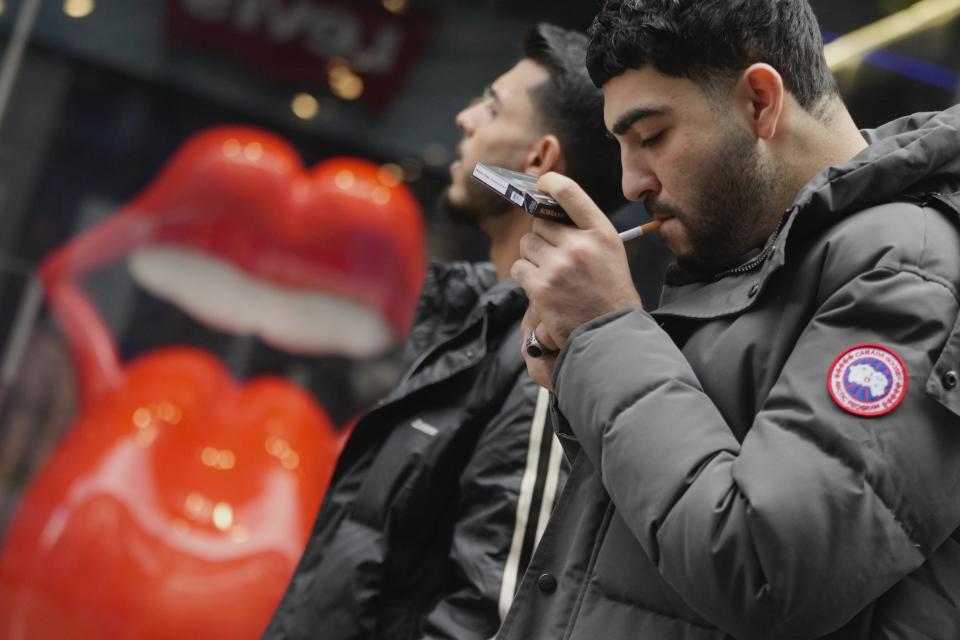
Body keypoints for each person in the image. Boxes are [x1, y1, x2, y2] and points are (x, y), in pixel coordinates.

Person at [502, 1, 960, 639]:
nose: (632, 181)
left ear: (759, 101)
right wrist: (583, 369)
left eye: (652, 136)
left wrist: (605, 331)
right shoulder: (760, 254)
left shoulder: (911, 266)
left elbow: (768, 571)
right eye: (621, 146)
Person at [262, 24, 623, 640]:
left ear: (538, 162)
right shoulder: (482, 333)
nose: (463, 118)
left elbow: (498, 615)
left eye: (490, 107)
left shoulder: (543, 357)